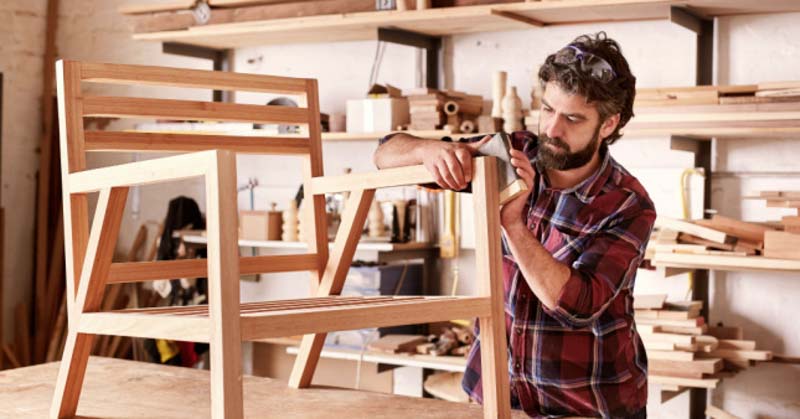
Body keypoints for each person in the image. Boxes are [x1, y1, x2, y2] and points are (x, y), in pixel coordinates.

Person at [373, 32, 655, 418]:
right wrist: (429, 151)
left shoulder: (627, 204)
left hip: (587, 404)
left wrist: (513, 224)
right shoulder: (510, 153)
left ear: (608, 125)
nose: (553, 129)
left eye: (572, 118)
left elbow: (576, 305)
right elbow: (384, 154)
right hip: (496, 397)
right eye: (548, 109)